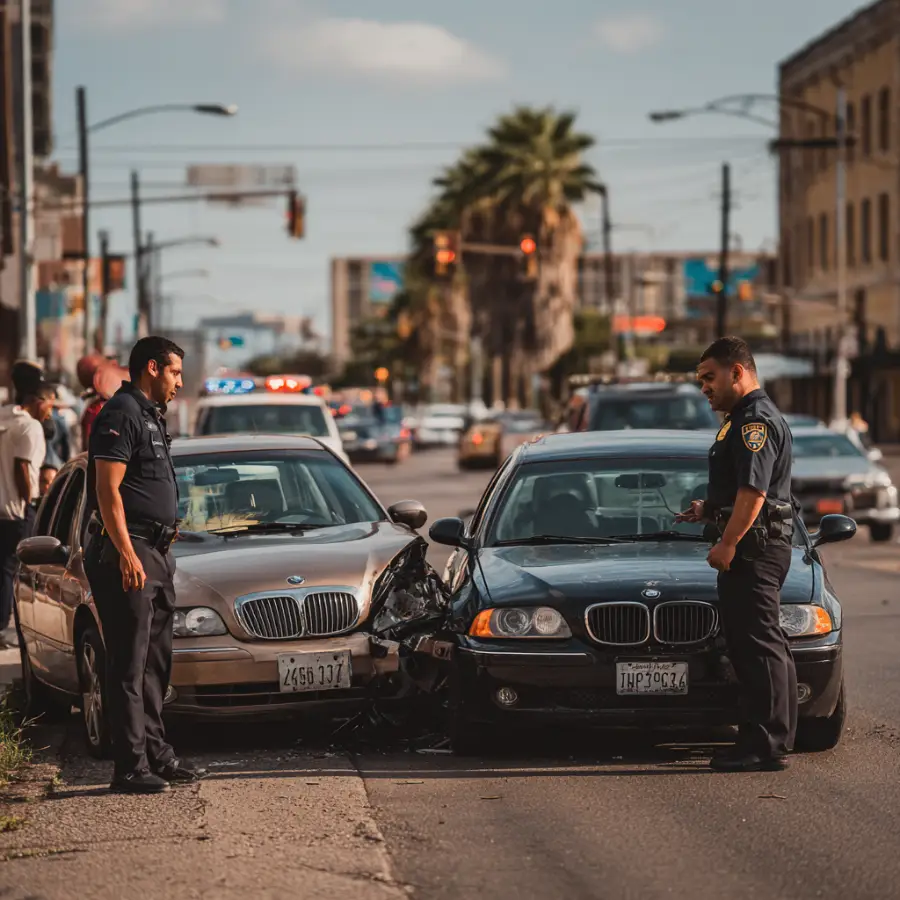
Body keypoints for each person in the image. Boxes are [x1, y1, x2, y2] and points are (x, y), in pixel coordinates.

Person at [83, 336, 202, 794]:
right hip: (127, 551)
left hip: (155, 551)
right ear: (152, 367)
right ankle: (129, 767)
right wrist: (128, 554)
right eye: (174, 372)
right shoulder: (121, 414)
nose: (179, 381)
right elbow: (106, 492)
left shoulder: (149, 416)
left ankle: (156, 753)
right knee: (129, 666)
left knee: (156, 664)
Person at [678, 336, 797, 772]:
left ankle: (765, 745)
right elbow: (739, 489)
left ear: (737, 372)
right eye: (700, 380)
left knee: (758, 646)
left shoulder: (755, 421)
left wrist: (727, 543)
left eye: (709, 377)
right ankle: (771, 737)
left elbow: (755, 491)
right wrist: (708, 509)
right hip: (756, 545)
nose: (704, 387)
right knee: (762, 644)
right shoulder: (740, 419)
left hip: (754, 549)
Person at [0, 380, 55, 648]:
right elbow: (22, 466)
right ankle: (5, 628)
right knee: (13, 570)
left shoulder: (4, 417)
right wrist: (27, 503)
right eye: (50, 405)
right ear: (38, 400)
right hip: (16, 510)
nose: (50, 414)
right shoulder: (31, 426)